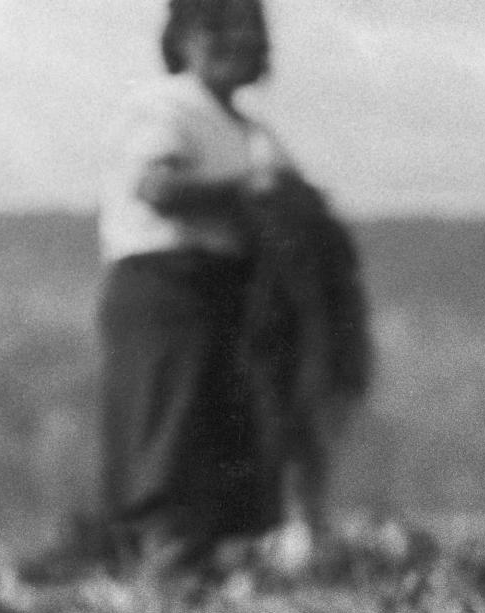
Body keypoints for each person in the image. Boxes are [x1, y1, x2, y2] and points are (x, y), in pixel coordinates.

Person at [94, 0, 291, 575]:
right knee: (169, 438)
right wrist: (249, 196)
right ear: (181, 40)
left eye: (250, 28)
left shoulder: (251, 133)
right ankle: (162, 570)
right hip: (167, 290)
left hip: (228, 294)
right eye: (217, 28)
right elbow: (157, 186)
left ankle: (202, 576)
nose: (238, 41)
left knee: (223, 443)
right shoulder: (168, 106)